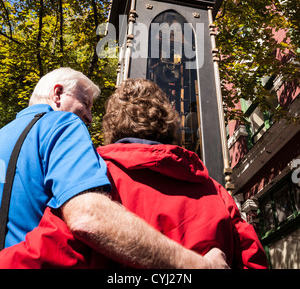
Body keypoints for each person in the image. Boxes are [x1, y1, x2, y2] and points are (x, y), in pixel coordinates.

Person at [0, 68, 228, 269]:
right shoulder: (63, 124)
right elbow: (87, 216)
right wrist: (199, 265)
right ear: (57, 94)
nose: (88, 118)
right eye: (86, 104)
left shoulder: (4, 135)